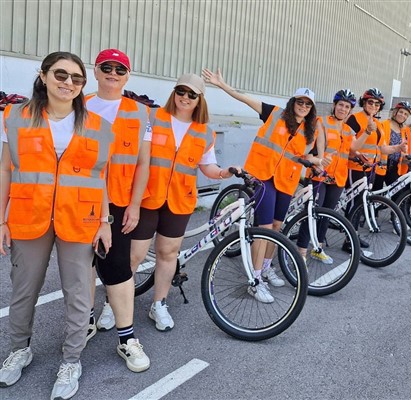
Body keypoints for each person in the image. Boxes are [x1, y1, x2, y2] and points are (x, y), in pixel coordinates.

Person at [0, 51, 113, 400]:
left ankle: (72, 360)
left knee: (79, 294)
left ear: (82, 86)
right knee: (23, 291)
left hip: (80, 219)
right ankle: (20, 349)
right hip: (27, 216)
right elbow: (6, 169)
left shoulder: (99, 127)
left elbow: (99, 177)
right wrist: (1, 218)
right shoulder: (15, 116)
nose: (68, 83)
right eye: (61, 75)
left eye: (76, 79)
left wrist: (105, 221)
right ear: (44, 75)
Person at [202, 67, 321, 303]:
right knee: (264, 228)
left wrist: (315, 161)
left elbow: (303, 157)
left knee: (277, 228)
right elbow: (244, 98)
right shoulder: (274, 113)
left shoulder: (310, 132)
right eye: (300, 102)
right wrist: (222, 85)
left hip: (285, 182)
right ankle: (255, 280)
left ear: (311, 109)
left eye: (308, 105)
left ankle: (266, 267)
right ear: (293, 102)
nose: (303, 107)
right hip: (263, 177)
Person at [129, 73, 238, 329]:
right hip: (147, 197)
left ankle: (159, 304)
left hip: (179, 201)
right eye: (181, 91)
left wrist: (224, 172)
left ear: (200, 99)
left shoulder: (205, 133)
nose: (185, 98)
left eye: (192, 94)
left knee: (168, 254)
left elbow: (208, 167)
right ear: (174, 92)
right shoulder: (153, 117)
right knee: (135, 255)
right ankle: (115, 304)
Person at [85, 49, 151, 371]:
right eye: (106, 68)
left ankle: (127, 339)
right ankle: (85, 320)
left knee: (118, 268)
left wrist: (135, 204)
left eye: (120, 69)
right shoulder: (77, 106)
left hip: (119, 202)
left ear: (128, 75)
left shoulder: (140, 113)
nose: (113, 73)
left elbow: (143, 162)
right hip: (79, 200)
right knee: (81, 266)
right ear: (95, 71)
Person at [296, 89, 356, 263]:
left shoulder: (348, 130)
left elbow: (352, 149)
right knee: (312, 213)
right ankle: (301, 252)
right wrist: (316, 161)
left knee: (327, 214)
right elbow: (311, 146)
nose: (343, 109)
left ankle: (318, 248)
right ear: (334, 106)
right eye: (340, 105)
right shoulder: (321, 122)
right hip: (318, 175)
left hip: (338, 178)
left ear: (350, 111)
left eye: (347, 107)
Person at [383, 101, 411, 185]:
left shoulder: (404, 130)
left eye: (406, 114)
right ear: (395, 112)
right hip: (382, 164)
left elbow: (403, 148)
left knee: (397, 193)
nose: (403, 115)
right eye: (401, 112)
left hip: (395, 165)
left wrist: (406, 157)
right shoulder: (384, 124)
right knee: (377, 192)